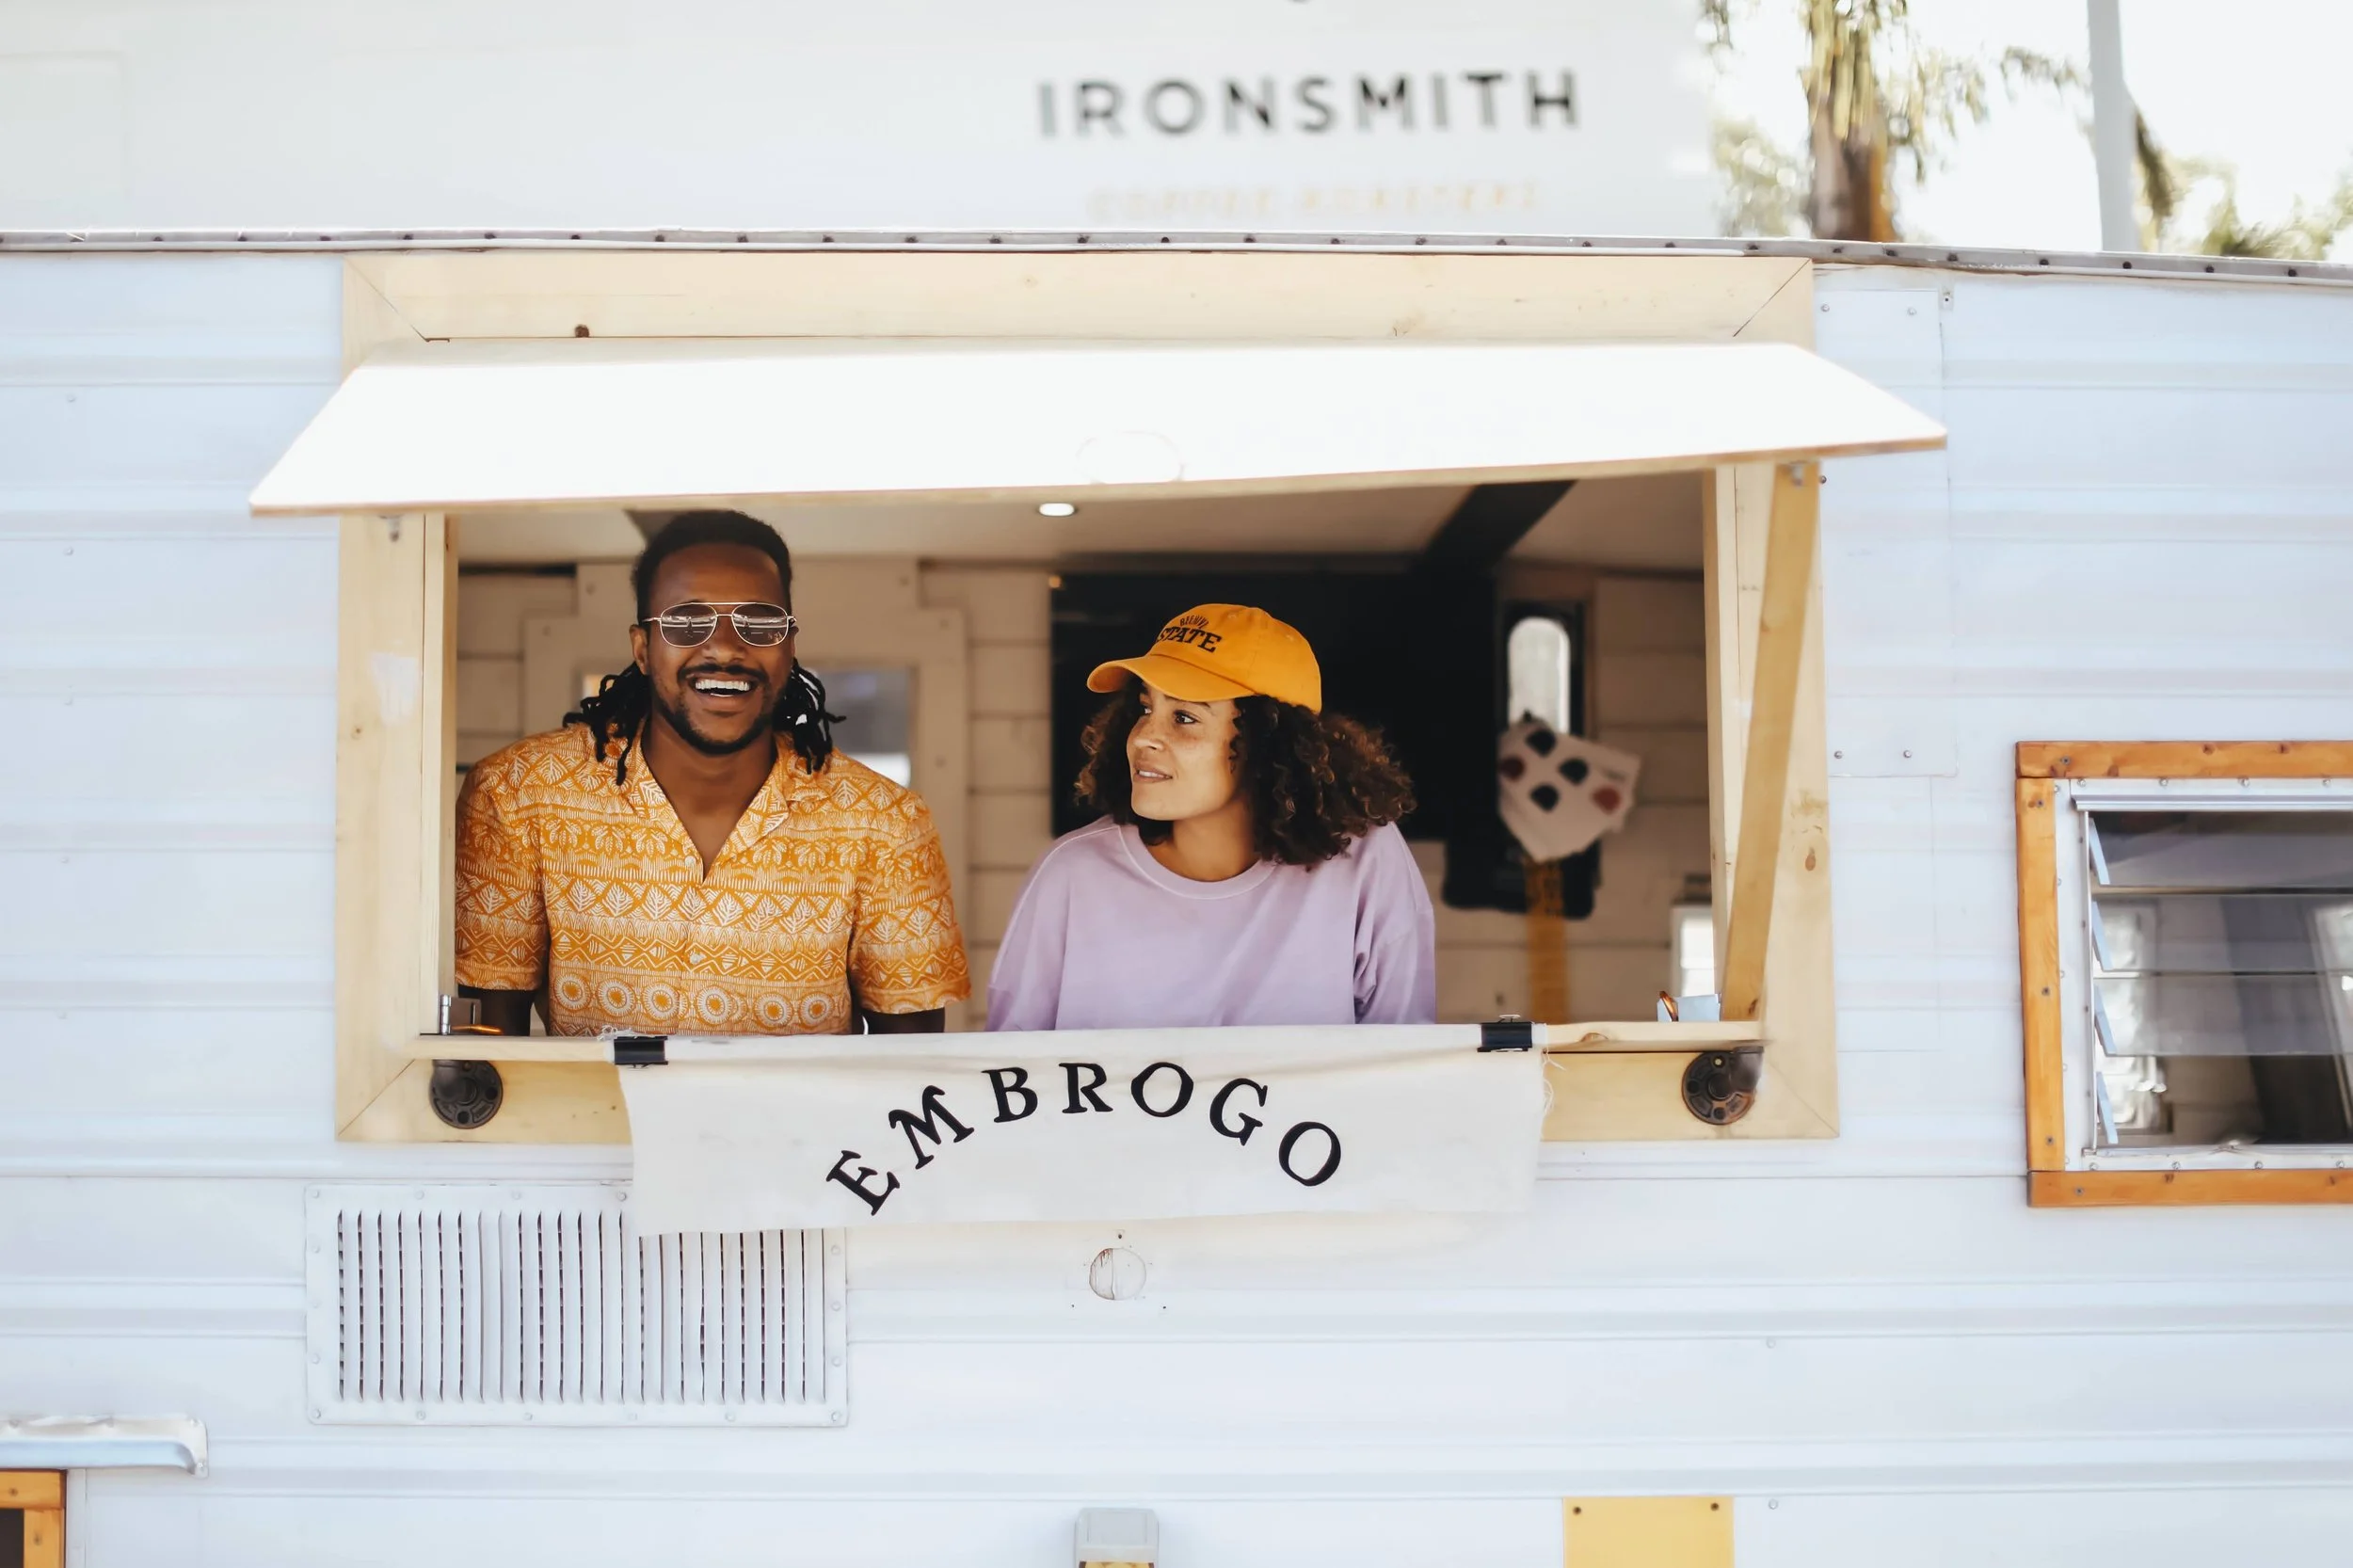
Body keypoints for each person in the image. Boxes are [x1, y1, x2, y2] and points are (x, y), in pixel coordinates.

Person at [455, 510, 969, 1038]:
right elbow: (490, 1052)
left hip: (804, 1124)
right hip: (593, 1121)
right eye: (686, 622)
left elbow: (910, 1068)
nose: (725, 648)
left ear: (789, 648)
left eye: (760, 622)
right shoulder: (520, 794)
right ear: (642, 649)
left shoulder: (885, 824)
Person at [987, 603, 1434, 1031]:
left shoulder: (1364, 860)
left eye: (1184, 716)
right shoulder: (1071, 874)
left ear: (1268, 744)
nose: (1144, 736)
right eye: (1145, 709)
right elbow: (1005, 1079)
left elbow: (1406, 1062)